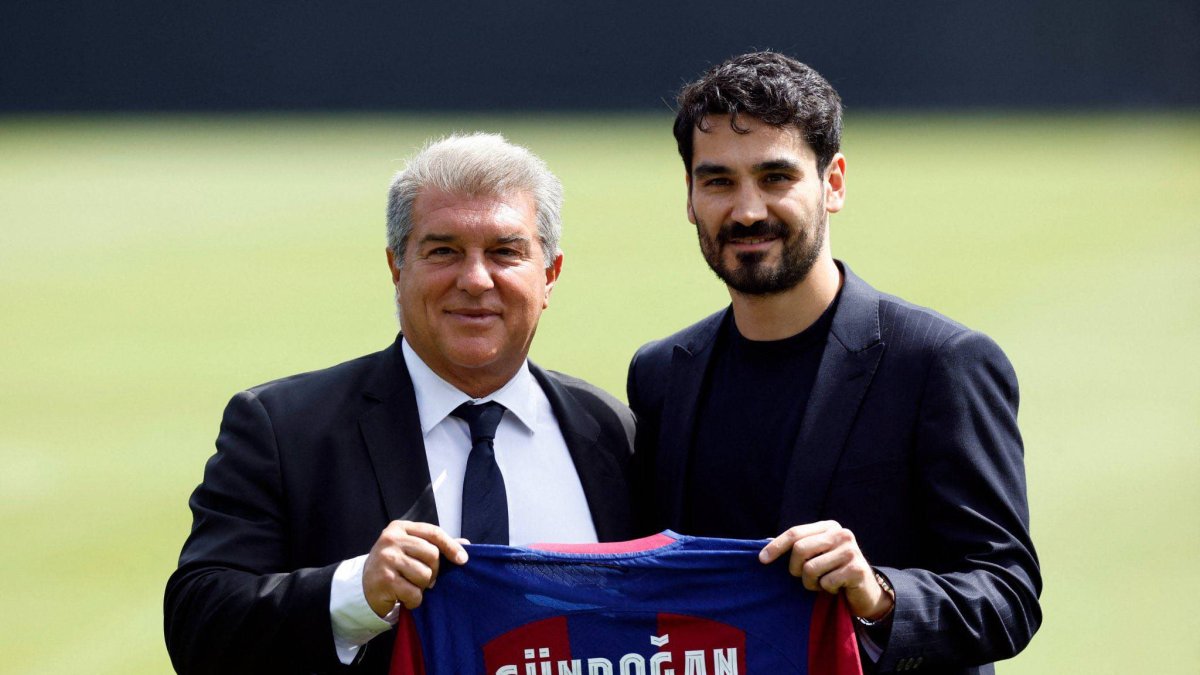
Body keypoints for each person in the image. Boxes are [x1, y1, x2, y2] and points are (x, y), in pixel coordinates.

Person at [627, 52, 1041, 674]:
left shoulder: (940, 363)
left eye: (775, 178)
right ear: (689, 196)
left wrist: (878, 595)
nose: (746, 212)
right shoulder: (661, 374)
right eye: (718, 181)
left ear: (834, 183)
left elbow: (1006, 594)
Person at [165, 133, 636, 675]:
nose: (475, 279)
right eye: (443, 251)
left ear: (550, 275)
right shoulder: (283, 429)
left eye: (506, 252)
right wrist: (354, 594)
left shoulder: (612, 432)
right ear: (396, 267)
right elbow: (198, 626)